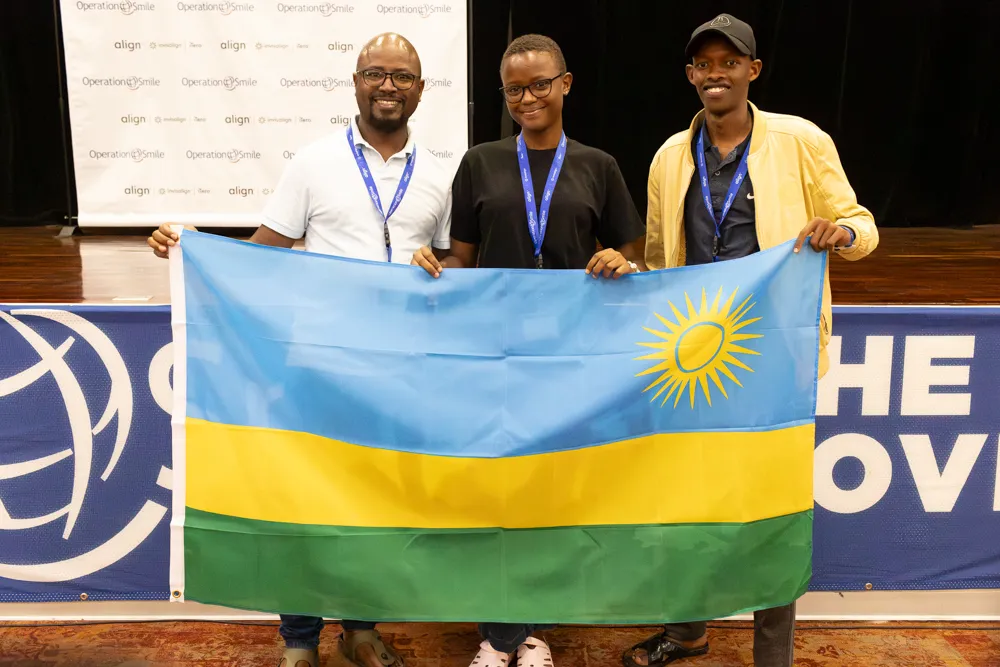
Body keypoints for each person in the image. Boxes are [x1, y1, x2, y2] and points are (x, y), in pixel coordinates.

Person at [147, 32, 453, 667]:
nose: (388, 85)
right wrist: (193, 245)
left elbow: (452, 261)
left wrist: (439, 263)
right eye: (376, 73)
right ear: (356, 83)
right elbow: (265, 249)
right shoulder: (313, 162)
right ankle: (299, 639)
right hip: (318, 366)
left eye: (402, 75)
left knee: (376, 507)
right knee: (305, 505)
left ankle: (363, 627)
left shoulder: (441, 174)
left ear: (422, 89)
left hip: (396, 371)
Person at [620, 13, 878, 667]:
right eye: (703, 64)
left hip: (775, 361)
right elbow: (658, 260)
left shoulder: (799, 140)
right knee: (683, 502)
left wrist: (839, 235)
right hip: (692, 361)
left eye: (728, 62)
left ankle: (773, 653)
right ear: (690, 76)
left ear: (752, 71)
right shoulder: (668, 158)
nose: (715, 74)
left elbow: (861, 224)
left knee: (773, 509)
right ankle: (686, 633)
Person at [410, 34, 647, 667]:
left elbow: (633, 251)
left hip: (572, 359)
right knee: (495, 494)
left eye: (540, 84)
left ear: (565, 84)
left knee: (551, 496)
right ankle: (496, 636)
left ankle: (531, 632)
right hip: (496, 354)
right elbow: (462, 259)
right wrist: (434, 266)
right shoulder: (480, 162)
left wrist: (619, 260)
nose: (527, 98)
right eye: (514, 88)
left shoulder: (598, 166)